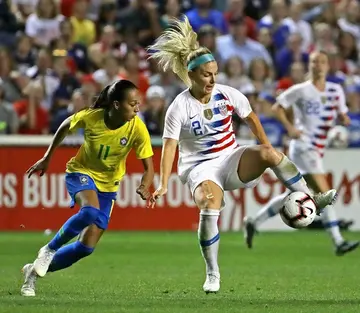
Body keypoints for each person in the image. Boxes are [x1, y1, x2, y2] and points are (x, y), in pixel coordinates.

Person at [147, 17, 337, 294]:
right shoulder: (179, 107)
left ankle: (311, 198)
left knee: (271, 155)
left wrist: (267, 148)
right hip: (200, 168)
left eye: (215, 73)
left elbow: (251, 118)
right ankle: (213, 274)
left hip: (230, 158)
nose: (212, 79)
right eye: (206, 74)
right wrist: (163, 183)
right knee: (209, 204)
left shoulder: (227, 94)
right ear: (192, 76)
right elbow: (169, 147)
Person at [21, 80, 155, 297]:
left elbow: (149, 167)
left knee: (85, 248)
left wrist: (144, 186)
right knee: (89, 211)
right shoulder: (91, 118)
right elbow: (65, 125)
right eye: (132, 104)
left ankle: (33, 273)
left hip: (109, 186)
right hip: (80, 173)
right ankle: (48, 249)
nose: (137, 108)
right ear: (116, 105)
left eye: (138, 104)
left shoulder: (137, 127)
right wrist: (47, 157)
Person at [243, 51, 360, 256]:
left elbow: (342, 113)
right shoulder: (300, 90)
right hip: (303, 147)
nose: (318, 65)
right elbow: (277, 107)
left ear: (327, 65)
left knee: (296, 194)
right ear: (310, 65)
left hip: (318, 149)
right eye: (314, 62)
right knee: (325, 195)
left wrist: (343, 119)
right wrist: (290, 128)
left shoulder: (335, 90)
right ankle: (338, 241)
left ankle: (254, 221)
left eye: (322, 62)